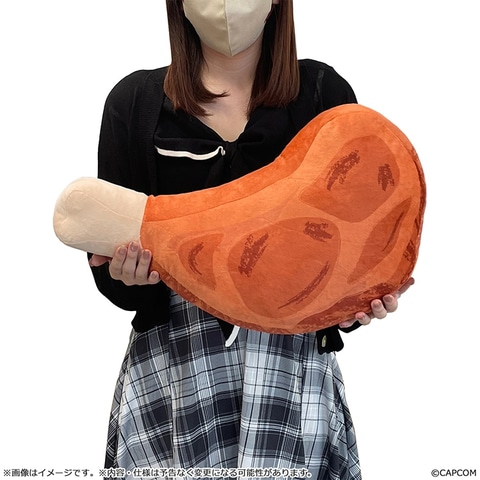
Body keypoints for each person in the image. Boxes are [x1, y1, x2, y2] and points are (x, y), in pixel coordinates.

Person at [88, 1, 412, 478]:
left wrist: (356, 305)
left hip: (290, 368)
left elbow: (346, 239)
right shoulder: (134, 104)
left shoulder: (321, 94)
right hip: (176, 369)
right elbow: (113, 278)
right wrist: (128, 276)